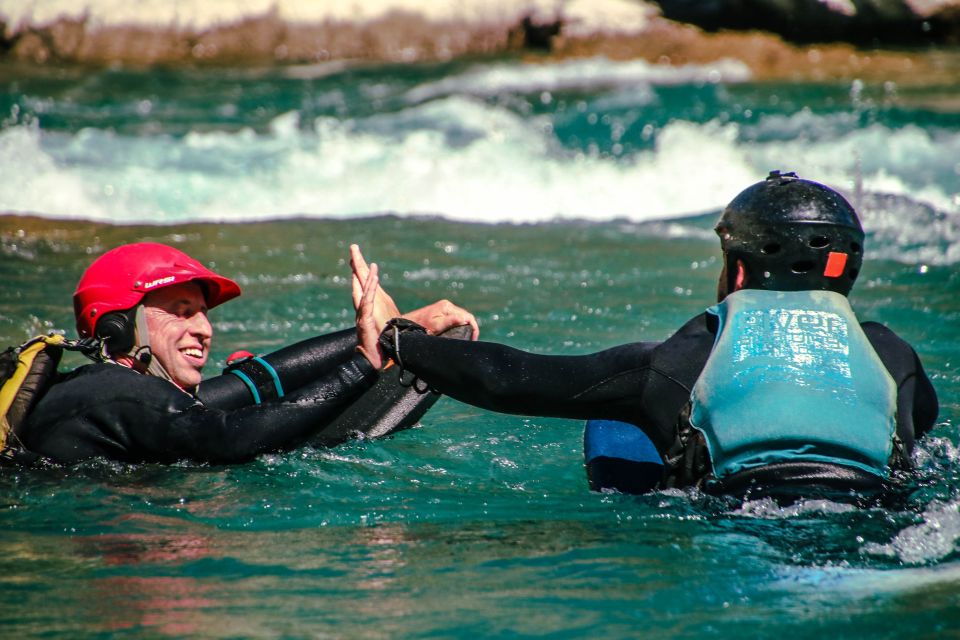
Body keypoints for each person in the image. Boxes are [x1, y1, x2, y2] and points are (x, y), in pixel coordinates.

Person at [353, 171, 939, 499]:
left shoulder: (691, 354)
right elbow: (923, 426)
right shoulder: (893, 356)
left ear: (737, 269)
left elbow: (516, 381)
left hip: (748, 520)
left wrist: (399, 339)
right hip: (878, 519)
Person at [21, 242, 477, 465]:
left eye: (202, 312)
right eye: (181, 313)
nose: (203, 328)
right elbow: (228, 438)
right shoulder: (119, 396)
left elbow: (253, 383)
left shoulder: (118, 391)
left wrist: (396, 329)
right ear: (117, 329)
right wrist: (362, 367)